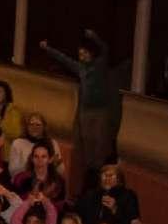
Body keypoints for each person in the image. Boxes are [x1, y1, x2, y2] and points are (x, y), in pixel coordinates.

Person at [41, 30, 118, 170]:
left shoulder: (99, 65)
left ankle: (99, 168)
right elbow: (63, 58)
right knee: (86, 139)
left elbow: (105, 49)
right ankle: (90, 168)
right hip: (85, 111)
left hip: (100, 110)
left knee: (100, 140)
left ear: (91, 53)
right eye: (80, 54)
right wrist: (48, 49)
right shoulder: (80, 68)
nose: (83, 56)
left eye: (85, 53)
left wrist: (94, 37)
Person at [76, 163, 142, 224]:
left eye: (111, 175)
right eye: (105, 175)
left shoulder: (128, 196)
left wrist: (115, 209)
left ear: (119, 179)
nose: (107, 178)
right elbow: (78, 217)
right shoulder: (90, 195)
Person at [9, 113, 63, 178]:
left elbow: (61, 170)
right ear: (27, 127)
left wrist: (55, 165)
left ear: (44, 127)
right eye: (31, 124)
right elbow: (13, 171)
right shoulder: (17, 143)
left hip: (47, 180)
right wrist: (31, 164)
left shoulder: (52, 143)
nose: (34, 127)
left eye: (38, 125)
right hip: (24, 181)